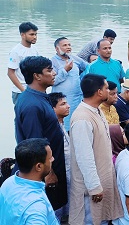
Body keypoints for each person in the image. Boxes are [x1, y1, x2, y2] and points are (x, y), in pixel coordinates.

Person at [14, 56, 68, 211]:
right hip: (42, 173)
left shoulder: (39, 97)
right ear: (37, 76)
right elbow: (34, 143)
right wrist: (48, 173)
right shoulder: (32, 105)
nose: (54, 73)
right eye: (49, 70)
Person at [69, 74, 123, 224]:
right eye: (107, 88)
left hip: (102, 181)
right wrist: (94, 187)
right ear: (99, 92)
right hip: (90, 188)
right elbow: (84, 156)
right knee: (91, 220)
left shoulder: (96, 110)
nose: (109, 91)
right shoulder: (82, 119)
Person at [0, 138, 59, 224]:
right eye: (50, 158)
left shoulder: (8, 182)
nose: (53, 159)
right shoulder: (35, 210)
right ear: (39, 166)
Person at [51, 37, 89, 132]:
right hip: (63, 101)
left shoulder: (75, 59)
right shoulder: (52, 62)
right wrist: (65, 70)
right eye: (64, 45)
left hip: (78, 98)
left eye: (69, 45)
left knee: (79, 124)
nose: (68, 47)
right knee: (64, 127)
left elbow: (88, 67)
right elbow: (53, 81)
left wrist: (83, 81)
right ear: (57, 48)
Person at [48, 92, 72, 221]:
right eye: (63, 104)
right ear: (53, 109)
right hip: (59, 174)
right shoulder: (51, 130)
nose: (68, 106)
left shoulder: (62, 125)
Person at [7, 22, 39, 104]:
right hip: (20, 92)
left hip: (34, 89)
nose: (35, 37)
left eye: (35, 34)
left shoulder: (34, 49)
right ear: (23, 35)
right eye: (31, 34)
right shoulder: (16, 51)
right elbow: (10, 73)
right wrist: (23, 91)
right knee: (22, 115)